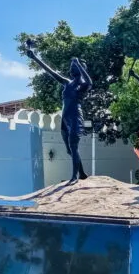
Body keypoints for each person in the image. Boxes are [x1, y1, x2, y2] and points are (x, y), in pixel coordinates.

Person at [25, 40, 92, 184]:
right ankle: (82, 173)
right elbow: (51, 72)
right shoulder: (67, 83)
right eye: (72, 65)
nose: (71, 67)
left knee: (73, 146)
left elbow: (90, 82)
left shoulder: (83, 85)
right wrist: (35, 57)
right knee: (69, 149)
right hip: (65, 119)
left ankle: (75, 177)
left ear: (81, 69)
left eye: (74, 66)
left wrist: (79, 63)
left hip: (75, 118)